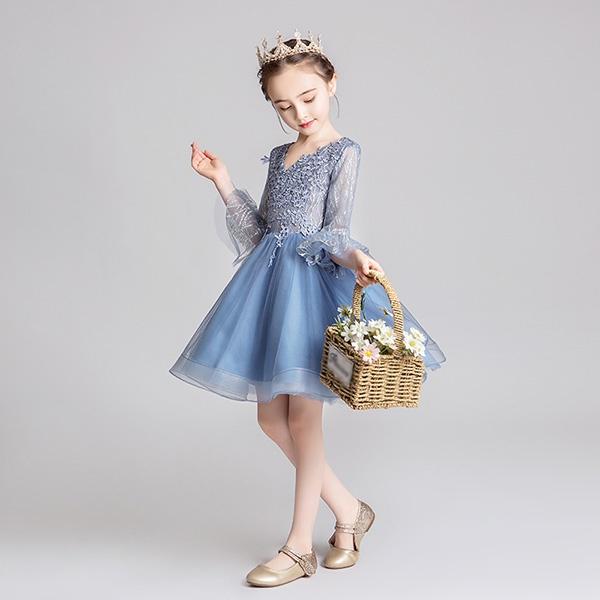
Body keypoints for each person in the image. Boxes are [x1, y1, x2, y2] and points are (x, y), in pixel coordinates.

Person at [169, 30, 447, 587]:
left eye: (309, 98)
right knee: (270, 418)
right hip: (271, 287)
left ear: (331, 84)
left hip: (311, 289)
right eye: (284, 106)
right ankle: (349, 511)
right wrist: (222, 181)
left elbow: (336, 229)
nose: (300, 114)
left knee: (302, 417)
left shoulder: (344, 152)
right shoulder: (280, 156)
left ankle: (298, 548)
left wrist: (357, 257)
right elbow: (260, 232)